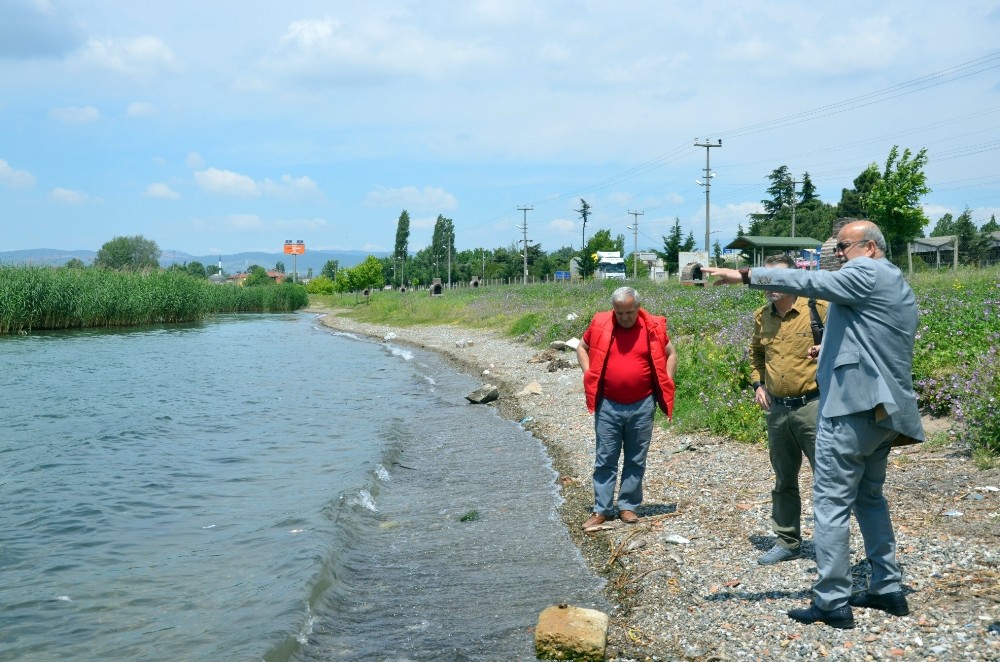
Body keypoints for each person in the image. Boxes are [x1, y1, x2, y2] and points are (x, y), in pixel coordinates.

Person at [702, 220, 924, 630]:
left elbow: (814, 283)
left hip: (853, 410)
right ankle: (887, 588)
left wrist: (745, 274)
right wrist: (833, 347)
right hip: (884, 411)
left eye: (843, 246)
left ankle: (831, 600)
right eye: (837, 248)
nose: (837, 254)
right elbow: (878, 338)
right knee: (870, 499)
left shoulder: (867, 271)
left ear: (870, 247)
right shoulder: (894, 280)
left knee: (831, 503)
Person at [576, 286, 677, 531]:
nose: (624, 318)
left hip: (642, 404)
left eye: (629, 313)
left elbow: (671, 353)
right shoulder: (601, 324)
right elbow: (581, 347)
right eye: (619, 313)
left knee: (636, 458)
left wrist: (668, 379)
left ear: (638, 308)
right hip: (608, 403)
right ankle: (602, 510)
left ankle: (628, 506)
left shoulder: (652, 327)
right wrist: (589, 374)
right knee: (605, 458)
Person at [749, 254, 828, 565]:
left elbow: (849, 344)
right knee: (783, 479)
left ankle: (829, 548)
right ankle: (787, 541)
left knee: (826, 479)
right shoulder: (762, 316)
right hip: (778, 411)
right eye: (765, 279)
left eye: (777, 278)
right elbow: (756, 354)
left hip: (814, 406)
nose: (770, 285)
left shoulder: (819, 309)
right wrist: (758, 385)